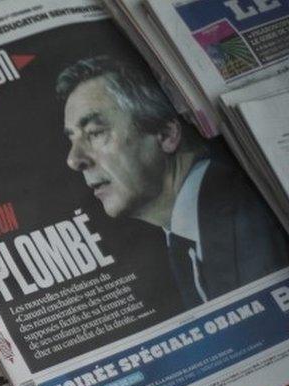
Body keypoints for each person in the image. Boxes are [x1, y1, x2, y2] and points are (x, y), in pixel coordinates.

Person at [57, 56, 289, 307]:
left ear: (166, 134)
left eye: (94, 132)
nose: (74, 160)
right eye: (72, 139)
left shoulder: (251, 215)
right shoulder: (184, 242)